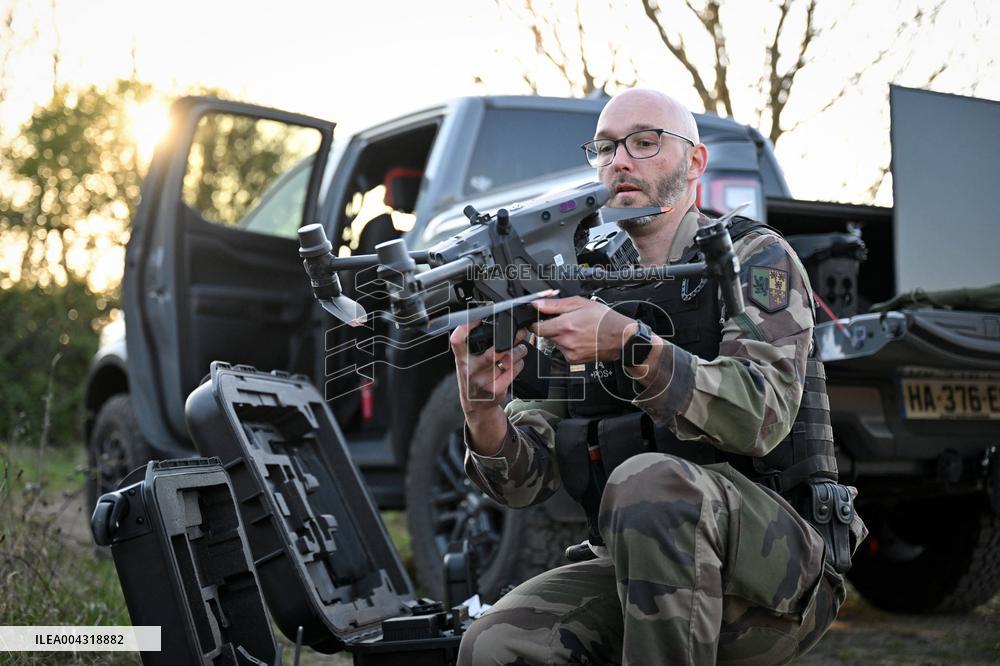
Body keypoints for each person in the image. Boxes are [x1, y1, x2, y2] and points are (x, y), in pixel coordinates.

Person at [450, 88, 866, 665]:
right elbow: (526, 483)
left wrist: (630, 345)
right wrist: (483, 411)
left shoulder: (750, 258)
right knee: (497, 644)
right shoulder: (587, 285)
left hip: (776, 567)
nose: (619, 160)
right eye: (604, 148)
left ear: (694, 163)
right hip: (637, 559)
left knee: (651, 481)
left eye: (645, 143)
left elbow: (761, 419)